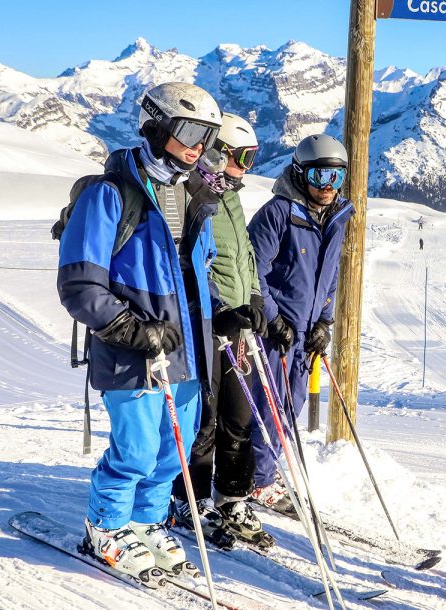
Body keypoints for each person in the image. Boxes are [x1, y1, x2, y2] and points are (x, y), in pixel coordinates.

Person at [57, 82, 229, 580]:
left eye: (209, 137)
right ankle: (107, 526)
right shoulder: (109, 195)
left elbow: (200, 273)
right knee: (133, 449)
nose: (200, 147)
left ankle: (147, 521)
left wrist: (222, 314)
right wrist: (130, 328)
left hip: (187, 350)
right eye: (191, 131)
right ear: (155, 127)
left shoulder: (195, 196)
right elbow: (79, 283)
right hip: (132, 352)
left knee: (174, 449)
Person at [170, 111, 274, 548]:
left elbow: (242, 257)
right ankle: (187, 500)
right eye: (242, 157)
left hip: (236, 324)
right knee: (205, 419)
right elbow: (193, 264)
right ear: (217, 152)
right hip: (205, 324)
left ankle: (231, 496)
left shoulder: (228, 196)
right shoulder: (190, 194)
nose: (245, 169)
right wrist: (216, 311)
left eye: (252, 159)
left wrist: (253, 300)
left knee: (239, 415)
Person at [246, 134, 354, 512]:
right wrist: (273, 319)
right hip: (276, 331)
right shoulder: (278, 213)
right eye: (319, 176)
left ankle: (265, 469)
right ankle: (257, 479)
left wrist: (324, 322)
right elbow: (251, 270)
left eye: (335, 178)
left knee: (288, 408)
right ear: (299, 172)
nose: (327, 187)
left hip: (305, 332)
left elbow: (330, 276)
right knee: (269, 404)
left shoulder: (337, 217)